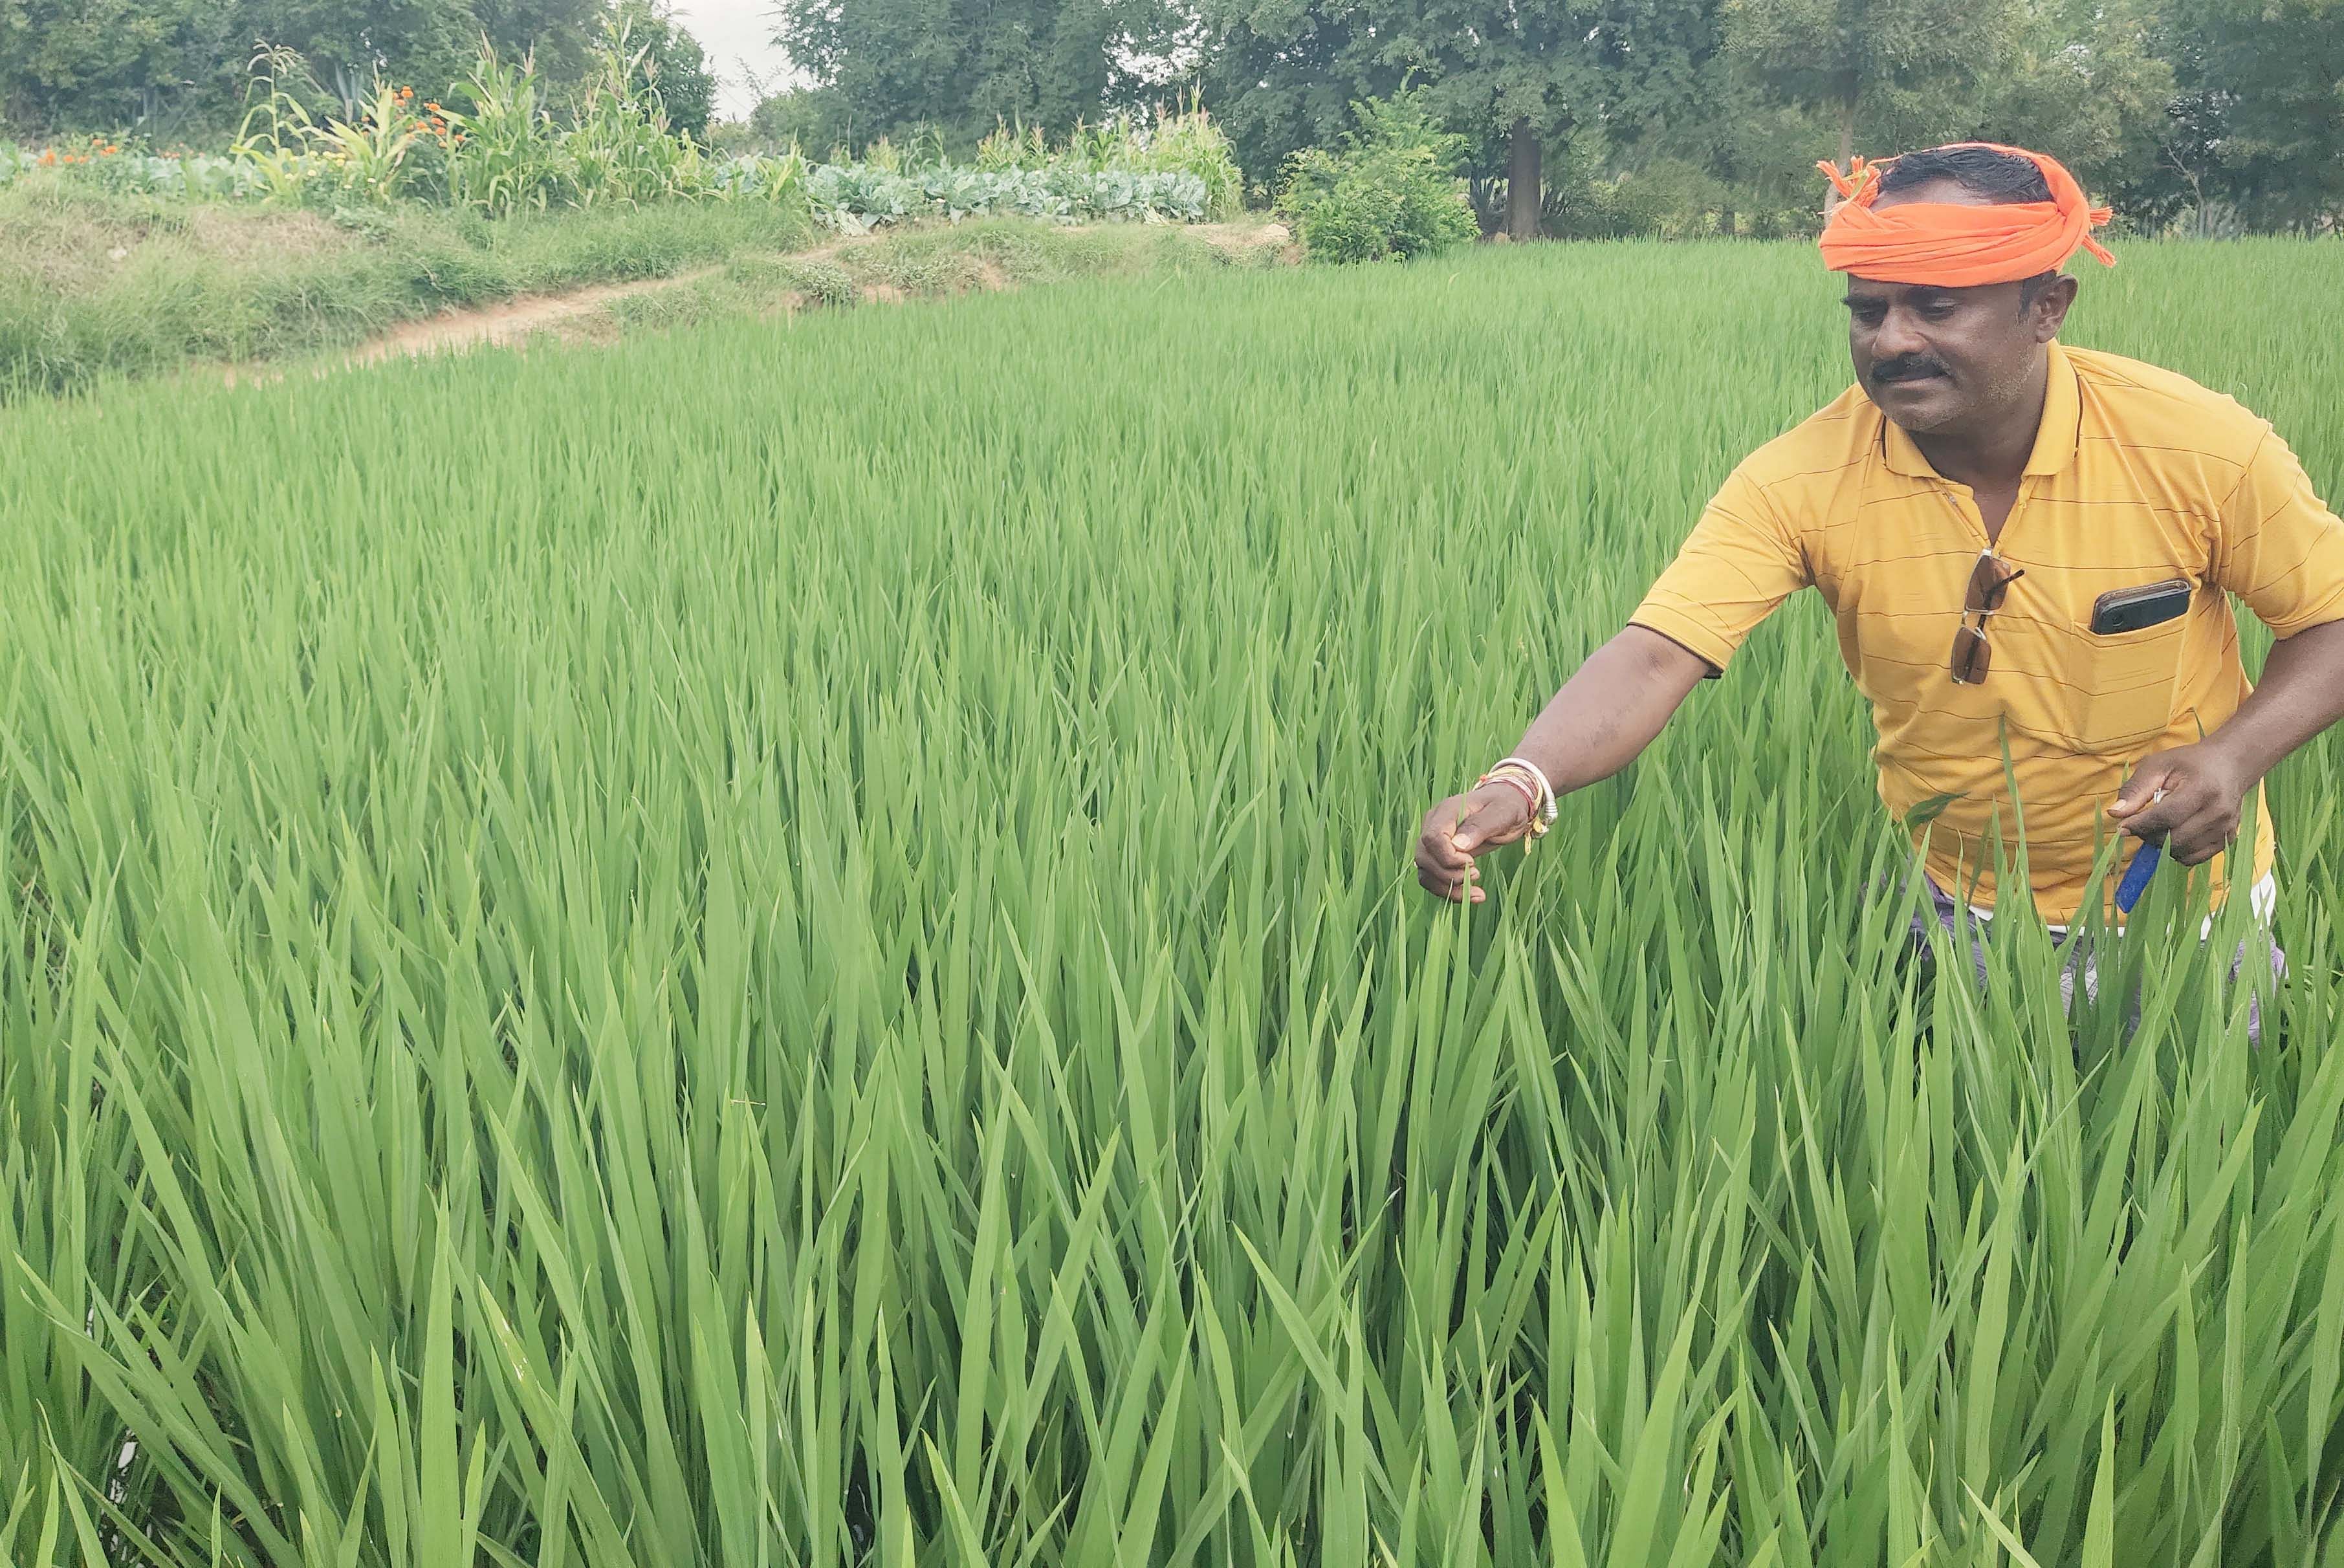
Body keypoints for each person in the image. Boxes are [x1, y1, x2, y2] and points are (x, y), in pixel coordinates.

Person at [1414, 142, 2344, 979]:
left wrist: (2234, 756)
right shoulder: (1802, 479)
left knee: (2181, 1150)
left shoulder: (2197, 447)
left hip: (2183, 912)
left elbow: (2331, 620)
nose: (1891, 340)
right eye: (1868, 310)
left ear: (2046, 307)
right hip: (1951, 902)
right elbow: (1659, 651)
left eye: (1936, 306)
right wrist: (1521, 778)